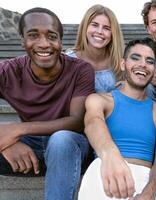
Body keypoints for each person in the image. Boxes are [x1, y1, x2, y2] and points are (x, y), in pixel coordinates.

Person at [0, 7, 95, 200]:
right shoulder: (8, 71)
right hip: (29, 148)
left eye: (51, 36)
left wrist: (17, 130)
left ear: (60, 41)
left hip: (71, 146)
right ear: (22, 40)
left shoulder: (80, 70)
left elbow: (77, 121)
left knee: (61, 139)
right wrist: (5, 143)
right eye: (33, 35)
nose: (44, 44)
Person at [78, 38, 156, 200]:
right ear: (123, 64)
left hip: (145, 180)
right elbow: (93, 123)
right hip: (105, 169)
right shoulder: (100, 100)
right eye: (135, 58)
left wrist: (150, 190)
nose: (142, 64)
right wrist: (111, 156)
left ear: (154, 69)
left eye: (149, 61)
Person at [67, 4, 124, 93]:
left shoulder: (122, 63)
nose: (99, 32)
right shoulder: (68, 62)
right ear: (85, 27)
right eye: (94, 25)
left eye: (106, 28)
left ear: (113, 34)